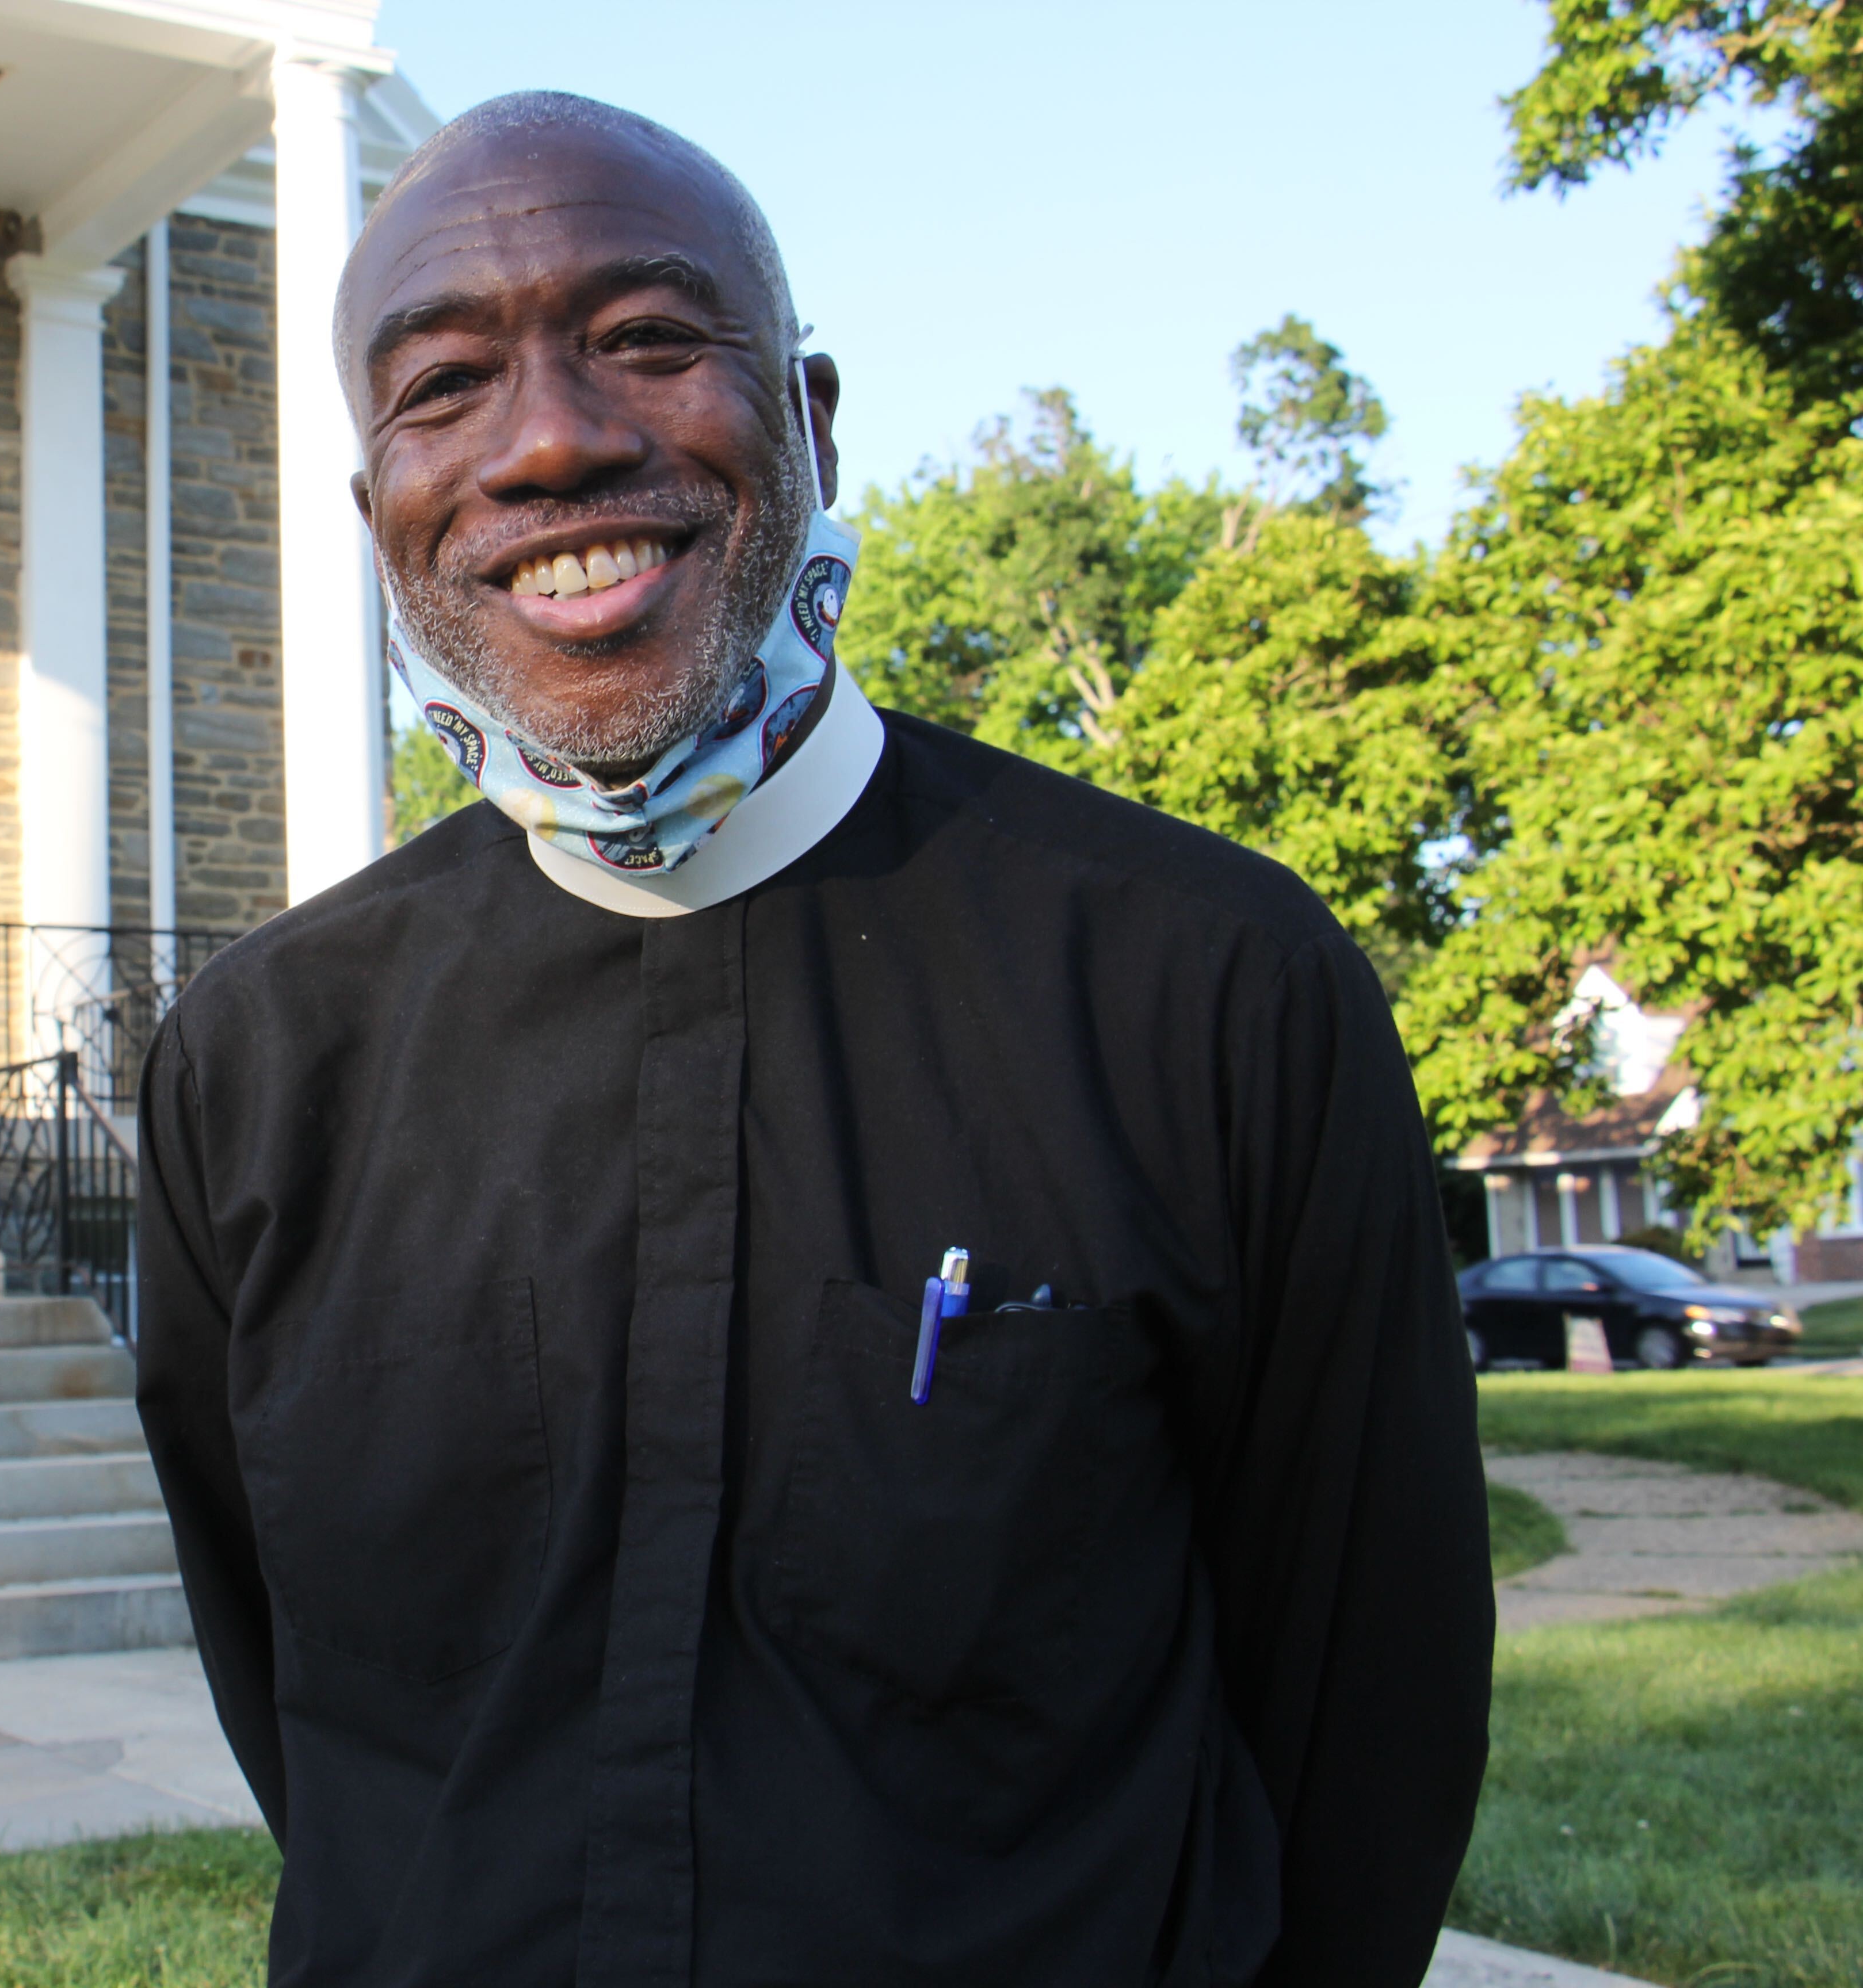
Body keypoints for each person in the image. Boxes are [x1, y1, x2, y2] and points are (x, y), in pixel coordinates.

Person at [133, 93, 1493, 1988]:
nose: (551, 438)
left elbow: (1362, 1726)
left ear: (810, 416)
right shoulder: (252, 1066)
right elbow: (305, 1711)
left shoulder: (1213, 989)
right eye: (446, 383)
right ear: (380, 509)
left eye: (648, 340)